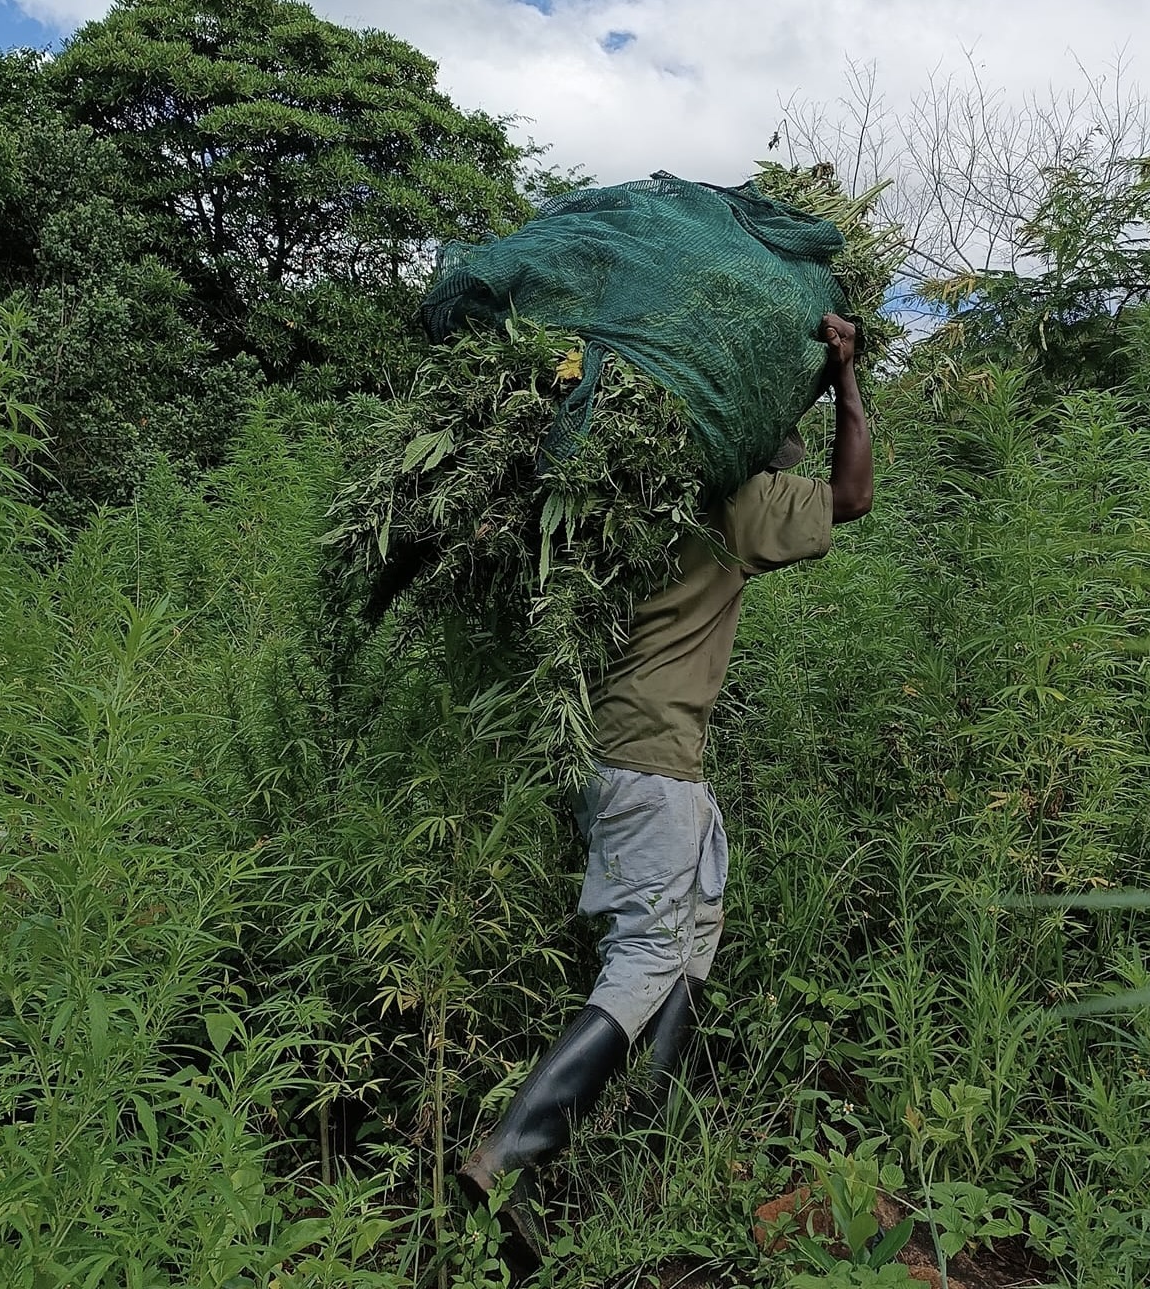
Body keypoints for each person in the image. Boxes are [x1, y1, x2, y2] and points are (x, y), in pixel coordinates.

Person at [457, 313, 873, 1271]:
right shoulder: (730, 504)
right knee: (647, 952)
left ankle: (639, 1134)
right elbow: (851, 495)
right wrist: (846, 376)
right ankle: (506, 1156)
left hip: (611, 756)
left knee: (693, 933)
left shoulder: (622, 500)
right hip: (650, 768)